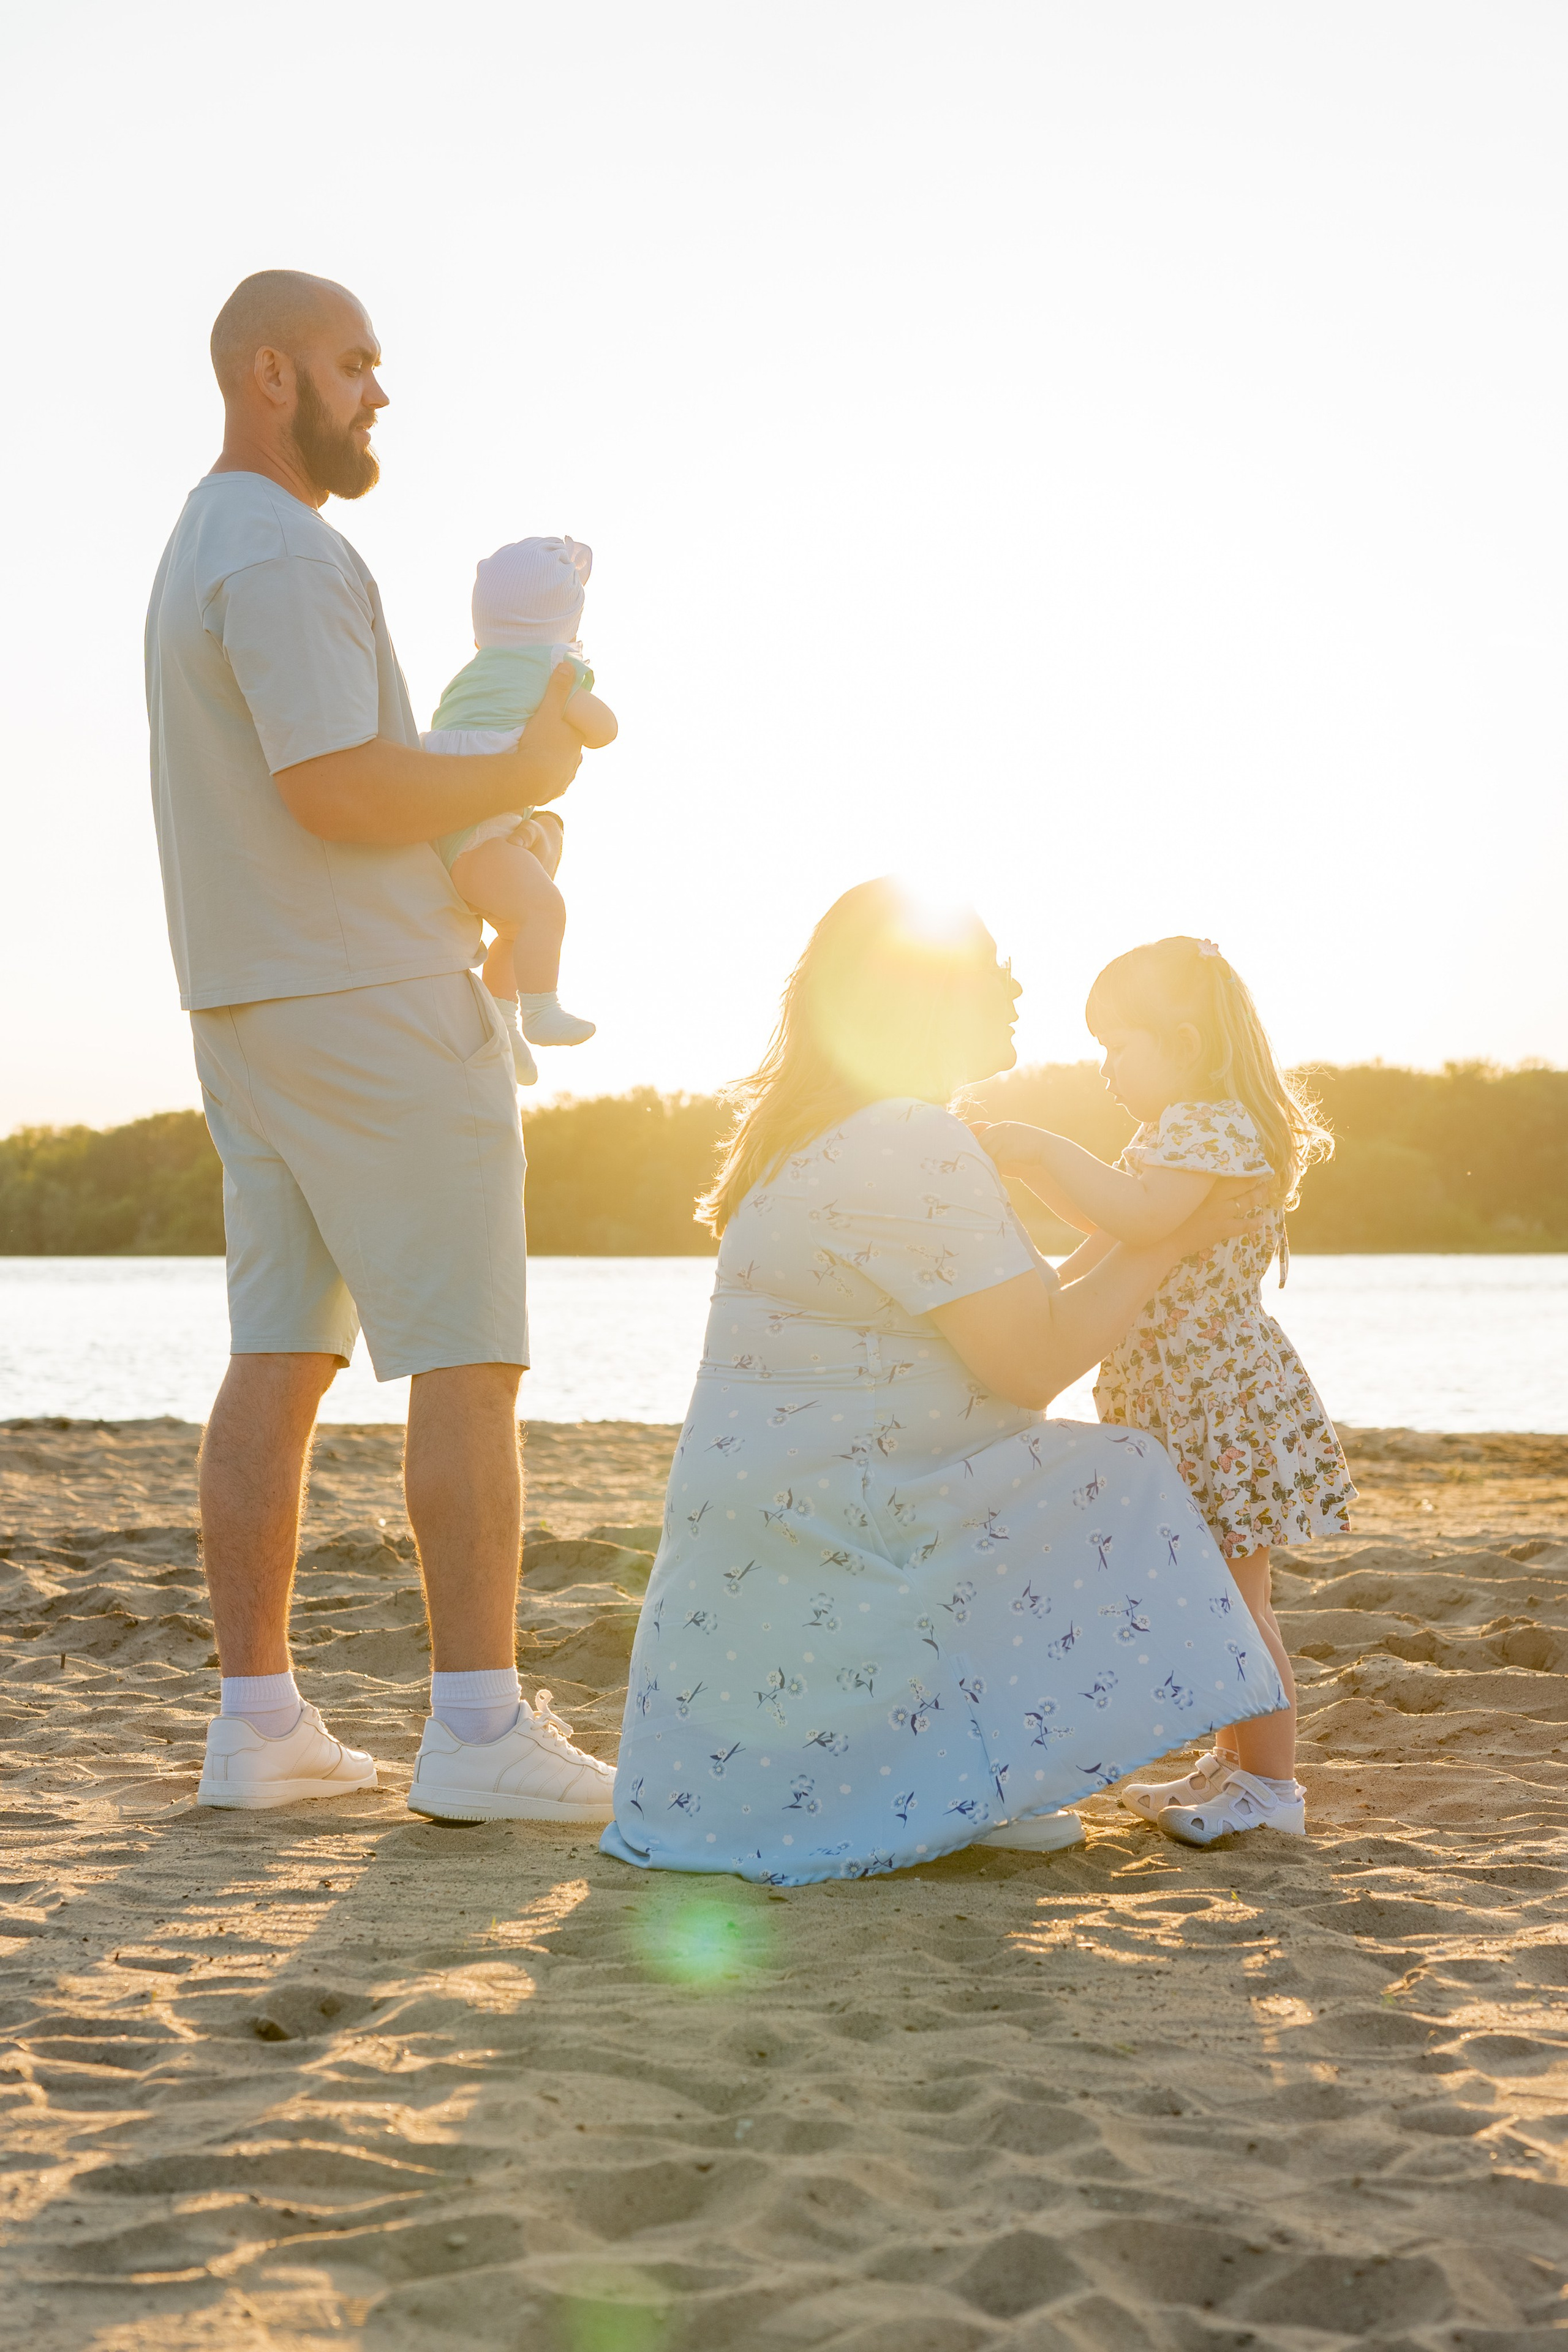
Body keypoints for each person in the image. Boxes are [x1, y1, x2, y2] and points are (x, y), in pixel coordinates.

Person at [145, 268, 615, 1824]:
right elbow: (338, 787)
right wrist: (525, 767)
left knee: (278, 1354)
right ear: (270, 374)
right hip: (369, 997)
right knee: (469, 1359)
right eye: (354, 363)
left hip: (248, 1002)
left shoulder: (202, 540)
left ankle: (259, 1726)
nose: (379, 392)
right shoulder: (283, 547)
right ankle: (477, 1727)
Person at [600, 880, 1289, 1887]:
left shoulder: (849, 1130)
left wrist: (1144, 1239)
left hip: (800, 1533)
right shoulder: (905, 1138)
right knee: (1125, 1475)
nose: (1016, 988)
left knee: (1070, 1464)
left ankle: (961, 1765)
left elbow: (1029, 1309)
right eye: (992, 970)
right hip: (838, 1525)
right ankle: (963, 1773)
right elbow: (1035, 1361)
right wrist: (1171, 1240)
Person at [974, 933, 1354, 1847]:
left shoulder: (1209, 1126)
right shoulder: (1177, 1131)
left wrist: (1040, 1145)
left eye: (1117, 1044)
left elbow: (1139, 1216)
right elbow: (1114, 1216)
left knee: (1238, 1603)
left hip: (1216, 1401)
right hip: (1190, 1395)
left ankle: (1271, 1787)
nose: (1105, 1068)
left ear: (1182, 1044)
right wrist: (1047, 1199)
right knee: (1222, 1593)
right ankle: (1233, 1759)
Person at [424, 534, 618, 1085]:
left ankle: (504, 1022)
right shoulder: (553, 667)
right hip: (479, 830)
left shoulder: (475, 672)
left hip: (450, 823)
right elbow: (603, 730)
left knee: (516, 926)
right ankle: (541, 1011)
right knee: (544, 910)